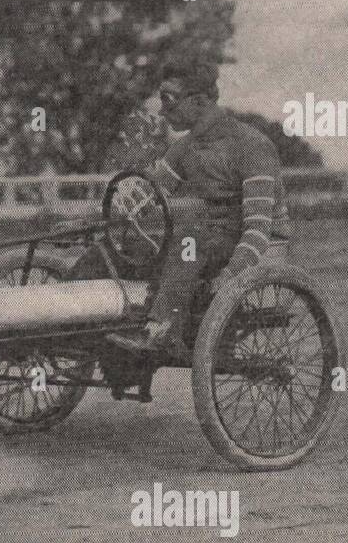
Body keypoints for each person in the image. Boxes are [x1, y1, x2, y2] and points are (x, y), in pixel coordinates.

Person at [106, 61, 290, 353]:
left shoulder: (251, 145)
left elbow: (259, 228)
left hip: (257, 242)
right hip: (209, 236)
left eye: (169, 101)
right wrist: (104, 220)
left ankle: (160, 329)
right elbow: (145, 199)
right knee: (124, 241)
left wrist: (231, 275)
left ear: (200, 101)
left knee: (188, 239)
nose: (163, 112)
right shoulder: (185, 147)